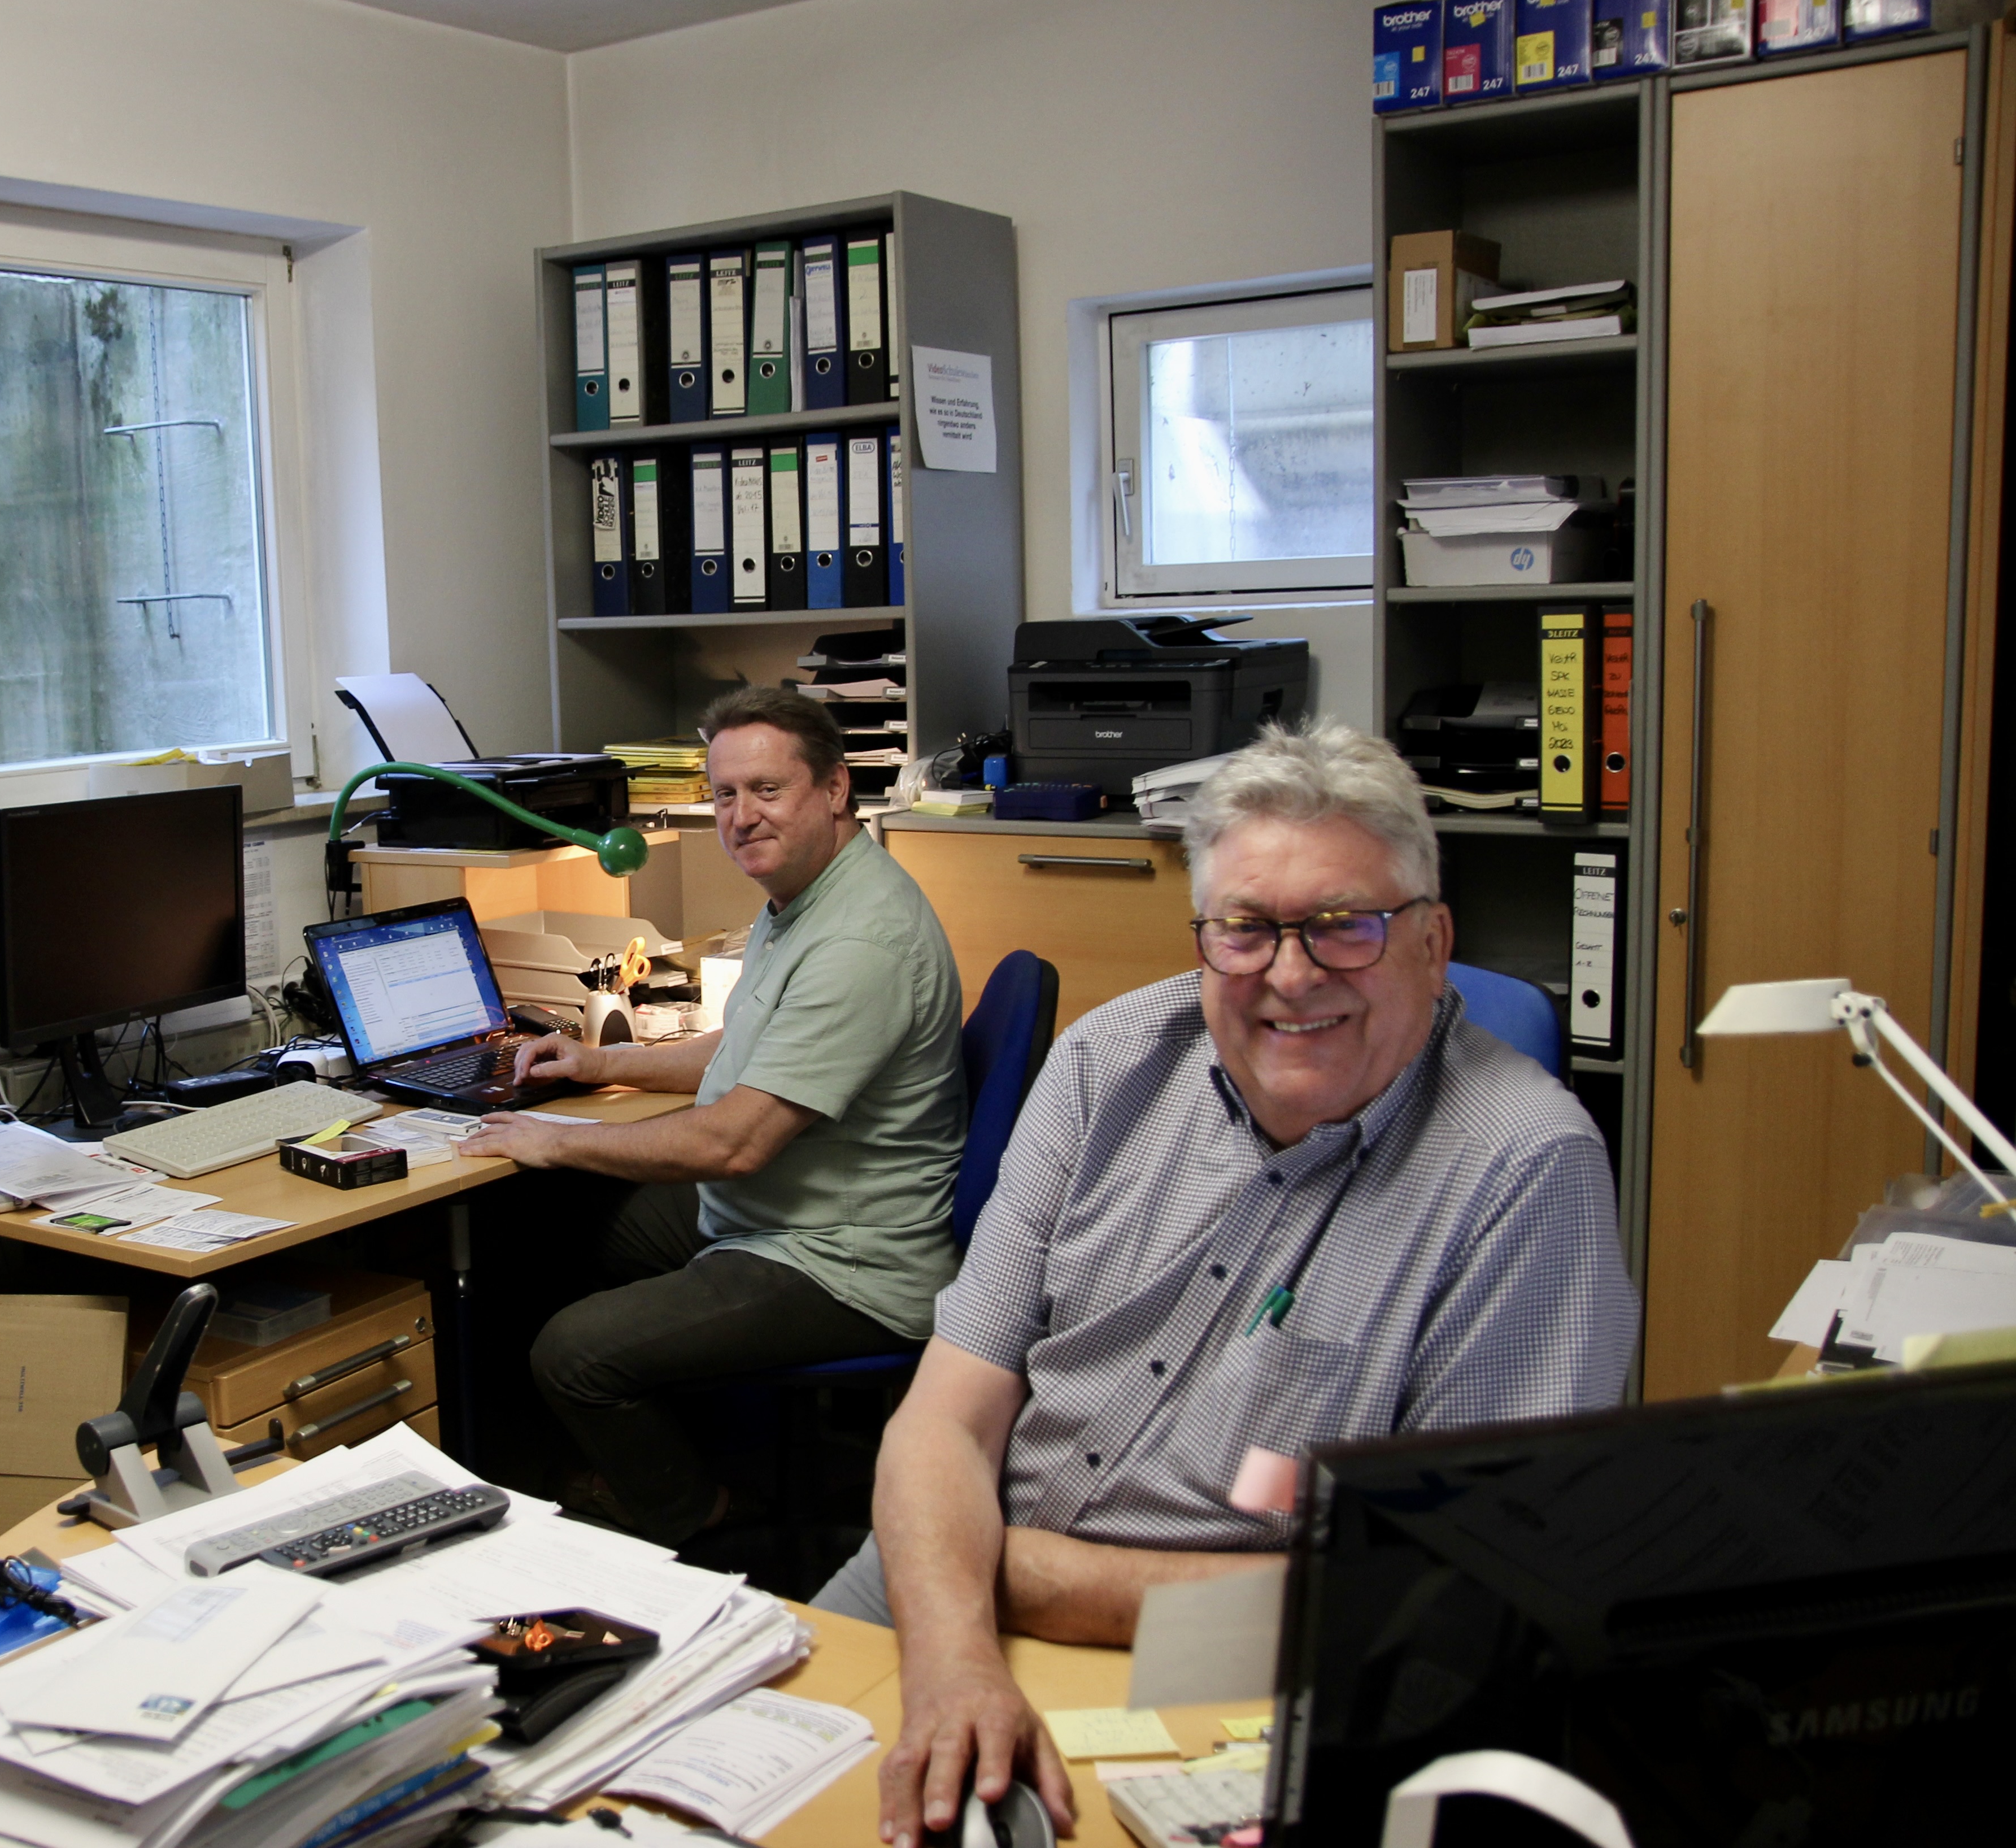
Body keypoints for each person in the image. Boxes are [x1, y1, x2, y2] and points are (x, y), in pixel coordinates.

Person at [823, 720, 1638, 1845]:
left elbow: (1450, 1603)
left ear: (1434, 941)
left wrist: (1014, 1575)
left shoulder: (1522, 1171)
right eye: (1247, 930)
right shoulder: (1105, 1064)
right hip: (940, 1605)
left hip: (1225, 1676)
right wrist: (959, 1651)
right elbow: (943, 1419)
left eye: (1345, 927)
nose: (1291, 977)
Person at [461, 685, 966, 1547]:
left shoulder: (859, 940)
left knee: (572, 1353)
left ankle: (701, 1517)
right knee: (533, 1230)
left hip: (839, 1260)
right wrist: (599, 1061)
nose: (741, 817)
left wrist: (561, 1138)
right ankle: (563, 1479)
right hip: (781, 1209)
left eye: (767, 790)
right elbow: (746, 1047)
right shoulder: (809, 894)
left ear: (836, 789)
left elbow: (735, 1140)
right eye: (725, 794)